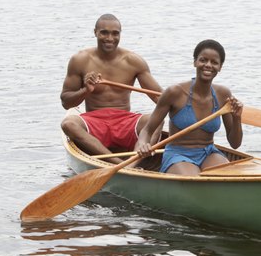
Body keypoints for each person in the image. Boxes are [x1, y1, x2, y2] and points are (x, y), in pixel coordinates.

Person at [60, 13, 163, 164]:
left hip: (125, 121)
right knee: (68, 124)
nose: (110, 38)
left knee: (157, 120)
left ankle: (132, 164)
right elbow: (66, 103)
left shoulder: (134, 61)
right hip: (94, 121)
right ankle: (118, 163)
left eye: (115, 33)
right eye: (104, 32)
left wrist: (183, 110)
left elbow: (160, 99)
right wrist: (86, 90)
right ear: (95, 32)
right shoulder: (80, 60)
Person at [135, 39, 244, 175]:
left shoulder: (223, 95)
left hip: (208, 153)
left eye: (214, 62)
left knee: (229, 175)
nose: (208, 65)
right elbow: (147, 130)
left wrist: (237, 118)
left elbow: (235, 144)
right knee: (194, 179)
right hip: (178, 154)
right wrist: (143, 144)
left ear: (220, 67)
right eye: (203, 60)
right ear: (195, 62)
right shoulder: (174, 92)